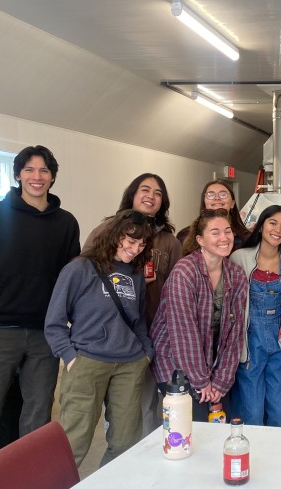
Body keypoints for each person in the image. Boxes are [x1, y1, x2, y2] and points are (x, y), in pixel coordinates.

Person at [0, 145, 80, 478]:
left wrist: (64, 323)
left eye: (43, 171)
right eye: (29, 170)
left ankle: (27, 483)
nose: (36, 177)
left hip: (44, 336)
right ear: (17, 175)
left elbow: (71, 279)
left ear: (52, 176)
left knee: (37, 421)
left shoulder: (66, 223)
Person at [45, 210, 155, 466]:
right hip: (87, 363)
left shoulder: (136, 275)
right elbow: (54, 322)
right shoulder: (79, 268)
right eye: (130, 241)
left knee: (125, 444)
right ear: (116, 234)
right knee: (73, 445)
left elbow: (138, 321)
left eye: (141, 244)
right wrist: (71, 358)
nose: (135, 249)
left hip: (129, 365)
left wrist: (145, 353)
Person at [83, 173, 182, 434]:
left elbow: (177, 289)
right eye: (145, 189)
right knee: (114, 410)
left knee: (147, 407)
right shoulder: (106, 230)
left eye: (158, 193)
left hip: (150, 336)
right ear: (132, 195)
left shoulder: (169, 242)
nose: (151, 196)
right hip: (108, 335)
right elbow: (85, 275)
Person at [150, 209, 249, 421]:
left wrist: (221, 381)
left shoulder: (236, 275)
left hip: (213, 365)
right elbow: (184, 334)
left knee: (218, 426)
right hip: (176, 364)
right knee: (189, 430)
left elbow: (235, 334)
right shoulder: (185, 272)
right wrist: (201, 381)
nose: (224, 238)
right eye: (215, 232)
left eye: (228, 231)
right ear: (200, 240)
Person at [229, 205, 281, 427]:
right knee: (251, 409)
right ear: (261, 226)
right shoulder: (240, 258)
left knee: (280, 409)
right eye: (273, 223)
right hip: (249, 344)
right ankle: (248, 457)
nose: (278, 229)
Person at [177, 179, 250, 248]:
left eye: (223, 194)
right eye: (211, 195)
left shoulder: (246, 237)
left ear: (232, 203)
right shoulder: (185, 235)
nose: (217, 198)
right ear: (204, 202)